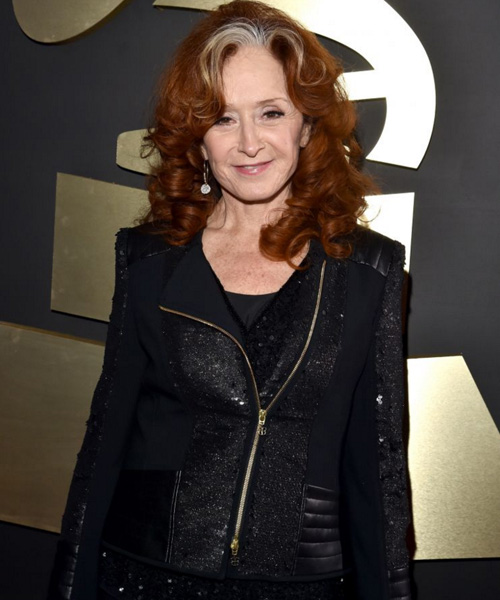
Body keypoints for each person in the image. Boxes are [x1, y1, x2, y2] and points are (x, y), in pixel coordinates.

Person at [48, 1, 412, 599]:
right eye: (222, 119)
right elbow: (103, 447)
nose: (249, 144)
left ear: (307, 124)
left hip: (303, 586)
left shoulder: (367, 269)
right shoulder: (149, 262)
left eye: (270, 112)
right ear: (198, 137)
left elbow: (379, 472)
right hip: (143, 578)